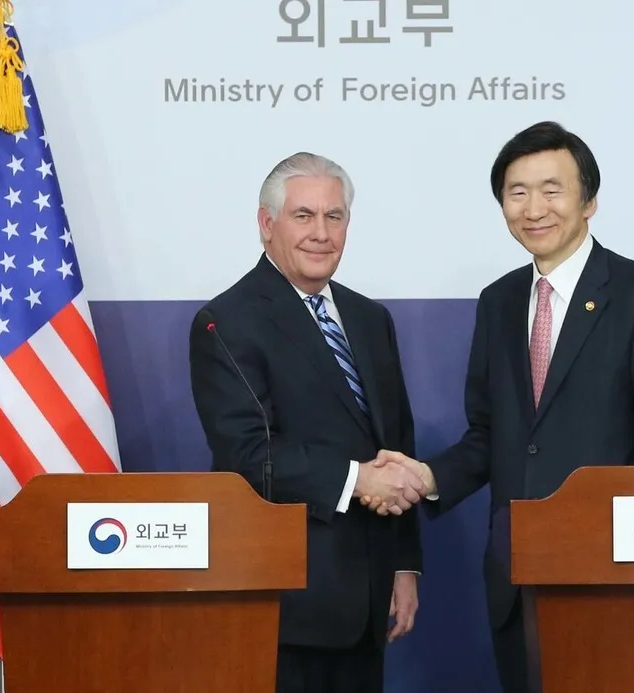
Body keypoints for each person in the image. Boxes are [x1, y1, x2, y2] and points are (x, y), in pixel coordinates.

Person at [362, 121, 634, 693]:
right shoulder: (500, 301)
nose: (533, 208)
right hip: (517, 574)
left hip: (612, 574)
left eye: (551, 189)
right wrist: (427, 477)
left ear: (588, 200)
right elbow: (491, 434)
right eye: (517, 193)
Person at [188, 152, 426, 693]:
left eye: (334, 217)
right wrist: (357, 480)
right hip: (288, 604)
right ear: (267, 224)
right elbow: (249, 455)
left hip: (369, 601)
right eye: (304, 216)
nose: (321, 233)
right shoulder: (226, 321)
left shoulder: (370, 318)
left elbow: (397, 446)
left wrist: (405, 564)